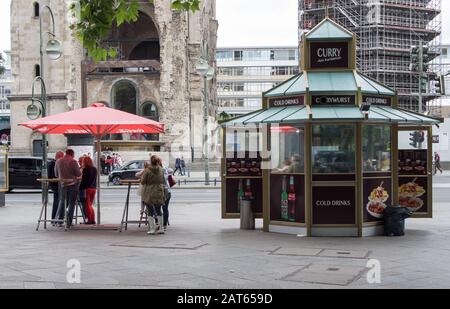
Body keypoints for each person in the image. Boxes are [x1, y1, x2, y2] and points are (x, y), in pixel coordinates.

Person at [54, 149, 82, 228]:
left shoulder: (58, 161)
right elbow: (78, 173)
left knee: (63, 202)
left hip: (62, 185)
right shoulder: (73, 161)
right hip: (73, 184)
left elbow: (56, 174)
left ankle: (61, 220)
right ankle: (69, 222)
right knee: (71, 203)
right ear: (72, 154)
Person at [141, 155, 166, 235]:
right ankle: (161, 228)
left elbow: (143, 182)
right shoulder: (161, 169)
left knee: (150, 210)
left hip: (149, 191)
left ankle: (152, 229)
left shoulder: (147, 170)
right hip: (159, 190)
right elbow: (163, 180)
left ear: (151, 162)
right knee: (159, 210)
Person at [79, 156, 97, 225]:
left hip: (88, 189)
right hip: (94, 188)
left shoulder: (85, 169)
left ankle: (89, 220)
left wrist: (79, 188)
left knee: (87, 205)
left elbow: (83, 181)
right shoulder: (94, 169)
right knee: (90, 205)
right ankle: (93, 219)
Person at [157, 157, 173, 231]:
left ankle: (160, 224)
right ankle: (164, 225)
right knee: (165, 208)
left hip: (161, 191)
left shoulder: (158, 170)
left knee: (157, 208)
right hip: (168, 191)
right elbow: (171, 171)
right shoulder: (165, 169)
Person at [48, 151, 65, 222]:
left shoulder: (53, 163)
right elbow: (52, 176)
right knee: (58, 201)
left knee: (58, 201)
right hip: (56, 185)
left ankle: (57, 218)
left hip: (57, 185)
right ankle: (56, 218)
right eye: (63, 157)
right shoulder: (53, 164)